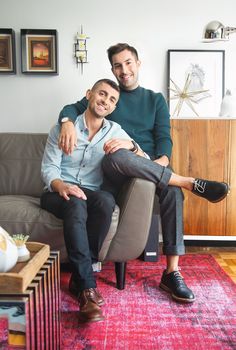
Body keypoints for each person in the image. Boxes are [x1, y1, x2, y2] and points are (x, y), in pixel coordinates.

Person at [57, 44, 229, 303]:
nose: (123, 70)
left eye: (128, 63)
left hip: (148, 165)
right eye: (117, 65)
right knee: (118, 154)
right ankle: (189, 182)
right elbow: (70, 108)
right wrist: (67, 123)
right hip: (114, 171)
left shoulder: (155, 100)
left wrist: (157, 161)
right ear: (112, 69)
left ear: (138, 63)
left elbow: (164, 140)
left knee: (172, 192)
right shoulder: (108, 97)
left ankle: (172, 273)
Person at [41, 78, 138, 323]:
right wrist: (62, 185)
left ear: (114, 107)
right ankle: (87, 288)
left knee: (106, 202)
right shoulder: (64, 127)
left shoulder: (115, 131)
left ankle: (79, 277)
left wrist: (131, 144)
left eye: (111, 99)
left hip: (90, 193)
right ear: (89, 94)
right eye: (101, 94)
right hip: (56, 191)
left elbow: (143, 156)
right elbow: (49, 168)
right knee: (76, 202)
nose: (105, 101)